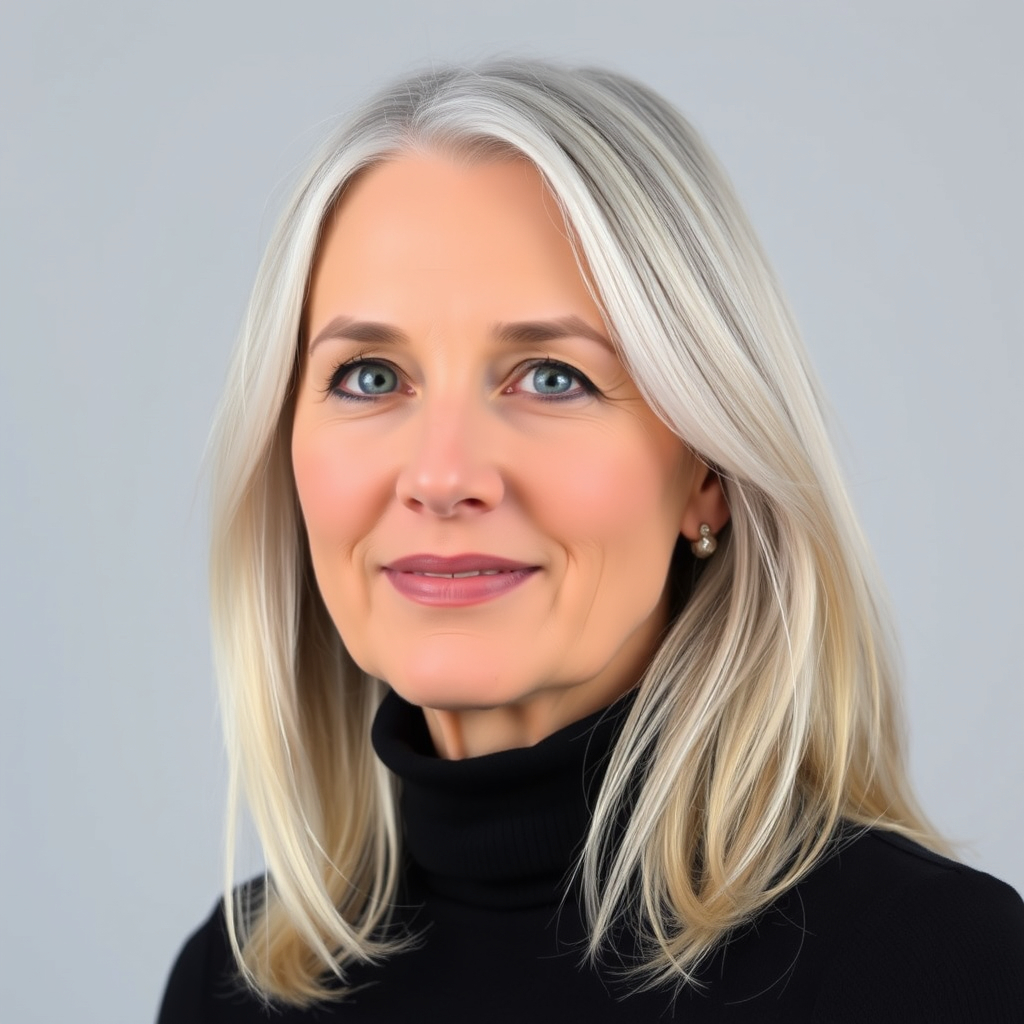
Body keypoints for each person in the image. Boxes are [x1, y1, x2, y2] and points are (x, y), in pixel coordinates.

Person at [157, 58, 1024, 1022]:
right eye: (369, 377)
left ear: (707, 469)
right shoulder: (234, 987)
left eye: (550, 377)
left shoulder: (939, 971)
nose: (443, 477)